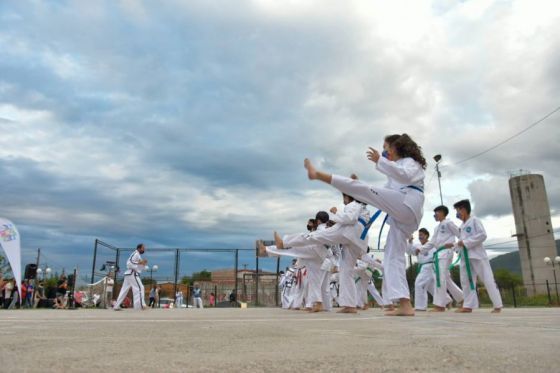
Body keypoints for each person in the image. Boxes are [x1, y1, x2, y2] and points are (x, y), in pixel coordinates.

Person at [301, 134, 426, 316]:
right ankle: (405, 304)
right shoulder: (396, 171)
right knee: (392, 256)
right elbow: (383, 193)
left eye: (386, 147)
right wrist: (360, 189)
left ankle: (318, 174)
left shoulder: (410, 162)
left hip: (408, 203)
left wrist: (379, 163)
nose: (384, 151)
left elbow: (404, 175)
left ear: (397, 147)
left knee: (363, 188)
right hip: (403, 213)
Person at [448, 199, 503, 313]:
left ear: (463, 209)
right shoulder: (462, 226)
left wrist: (466, 242)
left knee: (487, 279)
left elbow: (482, 235)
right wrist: (454, 245)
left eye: (458, 211)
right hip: (465, 257)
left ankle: (497, 305)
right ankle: (468, 306)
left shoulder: (474, 220)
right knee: (466, 281)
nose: (457, 214)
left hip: (477, 256)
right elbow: (461, 242)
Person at [423, 205, 463, 312]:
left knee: (440, 278)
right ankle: (462, 298)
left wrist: (455, 245)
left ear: (442, 213)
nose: (434, 215)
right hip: (439, 253)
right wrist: (421, 249)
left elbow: (460, 234)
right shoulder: (437, 228)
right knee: (446, 279)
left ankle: (440, 305)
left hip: (446, 252)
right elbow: (431, 242)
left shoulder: (448, 223)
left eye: (436, 213)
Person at [407, 228, 436, 311]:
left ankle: (421, 306)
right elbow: (409, 252)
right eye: (419, 235)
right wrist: (410, 242)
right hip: (422, 267)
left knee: (419, 284)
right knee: (432, 287)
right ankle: (445, 301)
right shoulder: (417, 245)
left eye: (422, 235)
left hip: (430, 266)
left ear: (426, 235)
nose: (420, 237)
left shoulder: (432, 245)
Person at [114, 243, 148, 310]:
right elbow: (129, 263)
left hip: (129, 274)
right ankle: (140, 306)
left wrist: (143, 264)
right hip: (132, 273)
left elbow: (138, 265)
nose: (144, 249)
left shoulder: (137, 255)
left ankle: (116, 306)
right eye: (143, 248)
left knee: (124, 290)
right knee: (140, 288)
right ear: (139, 248)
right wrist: (140, 263)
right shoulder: (135, 254)